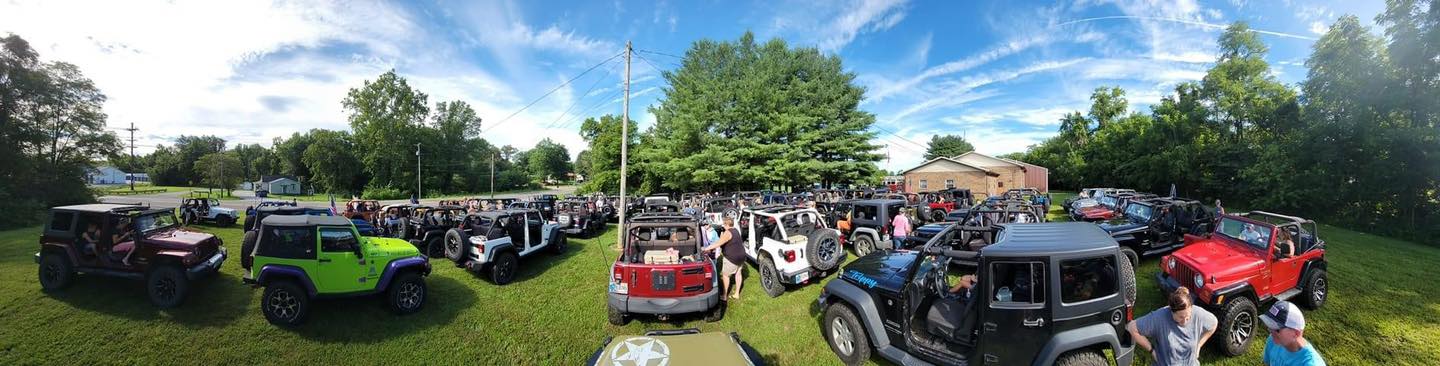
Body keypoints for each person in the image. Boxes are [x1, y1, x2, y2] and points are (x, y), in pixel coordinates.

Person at [1127, 287, 1218, 366]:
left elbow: (1214, 323)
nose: (1185, 320)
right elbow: (1131, 327)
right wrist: (1151, 350)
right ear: (1171, 310)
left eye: (1188, 316)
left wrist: (1199, 345)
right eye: (1181, 317)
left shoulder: (1198, 313)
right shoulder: (1159, 317)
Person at [1261, 300, 1326, 366]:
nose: (1271, 331)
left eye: (1277, 330)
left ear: (1296, 333)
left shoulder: (1311, 363)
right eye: (1270, 326)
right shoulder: (1273, 340)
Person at [702, 218, 744, 300]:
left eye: (723, 224)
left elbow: (718, 243)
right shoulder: (735, 230)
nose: (723, 226)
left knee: (725, 275)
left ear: (726, 224)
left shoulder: (728, 232)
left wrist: (706, 249)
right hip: (741, 256)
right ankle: (737, 294)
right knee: (738, 274)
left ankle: (724, 295)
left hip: (732, 257)